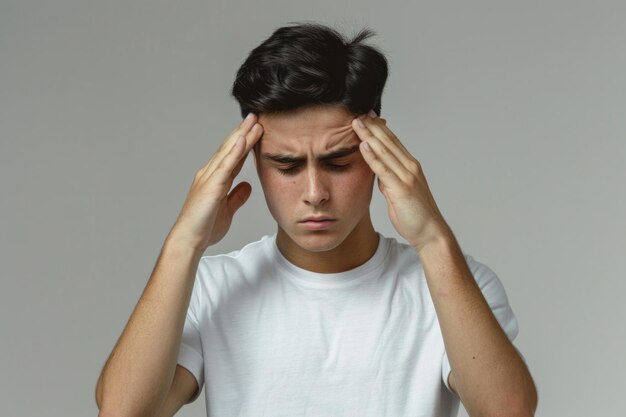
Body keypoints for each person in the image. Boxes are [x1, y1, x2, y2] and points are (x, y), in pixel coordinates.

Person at [95, 22, 538, 417]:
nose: (314, 194)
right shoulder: (212, 287)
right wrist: (183, 245)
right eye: (286, 166)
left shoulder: (455, 284)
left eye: (339, 162)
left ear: (379, 150)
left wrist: (434, 241)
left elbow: (508, 412)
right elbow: (122, 413)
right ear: (250, 161)